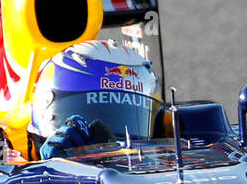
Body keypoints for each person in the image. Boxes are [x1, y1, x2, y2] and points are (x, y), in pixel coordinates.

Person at [28, 38, 162, 160]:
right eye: (96, 111)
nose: (118, 146)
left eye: (127, 118)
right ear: (45, 107)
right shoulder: (10, 161)